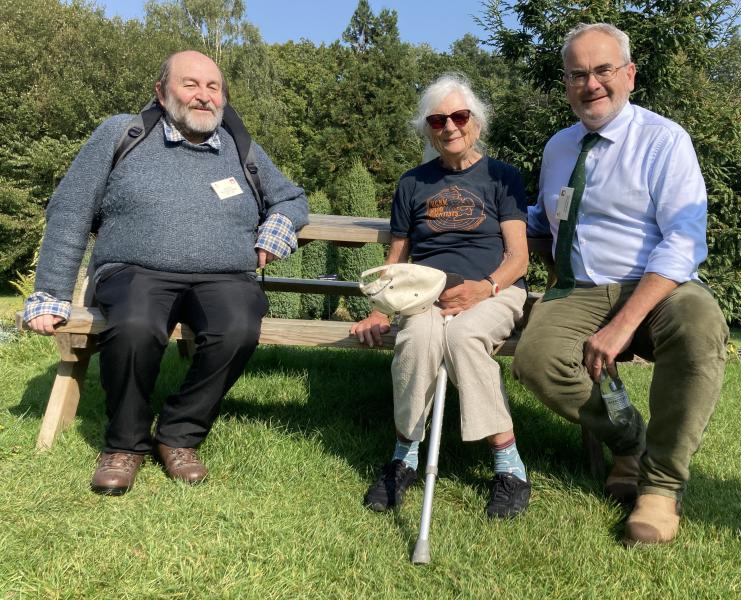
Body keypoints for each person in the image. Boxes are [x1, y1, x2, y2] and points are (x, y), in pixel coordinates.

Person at [23, 50, 309, 495]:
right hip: (134, 270)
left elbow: (291, 197)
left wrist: (276, 229)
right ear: (161, 92)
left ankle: (178, 435)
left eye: (213, 87)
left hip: (224, 275)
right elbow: (72, 207)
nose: (204, 96)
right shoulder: (122, 133)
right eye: (190, 84)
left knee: (237, 326)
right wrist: (51, 292)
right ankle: (124, 445)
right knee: (135, 325)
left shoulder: (239, 145)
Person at [512, 23, 728, 545]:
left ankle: (659, 487)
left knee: (700, 325)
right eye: (577, 74)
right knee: (535, 360)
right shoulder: (559, 147)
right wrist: (483, 222)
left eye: (603, 70)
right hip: (582, 287)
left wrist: (624, 323)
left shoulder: (663, 139)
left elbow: (684, 240)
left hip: (657, 286)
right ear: (566, 84)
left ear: (629, 74)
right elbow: (545, 219)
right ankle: (627, 439)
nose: (591, 84)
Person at [351, 74, 532, 519]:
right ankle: (405, 456)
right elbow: (397, 257)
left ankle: (509, 466)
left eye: (459, 116)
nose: (449, 126)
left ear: (476, 122)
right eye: (438, 119)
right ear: (427, 129)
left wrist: (483, 289)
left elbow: (519, 257)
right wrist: (380, 310)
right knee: (418, 342)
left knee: (464, 338)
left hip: (494, 290)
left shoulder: (503, 177)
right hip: (425, 294)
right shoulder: (413, 183)